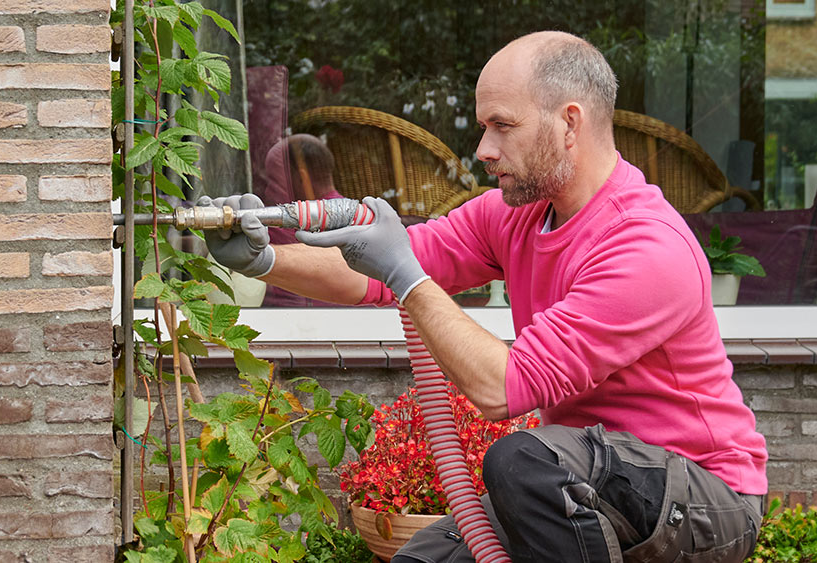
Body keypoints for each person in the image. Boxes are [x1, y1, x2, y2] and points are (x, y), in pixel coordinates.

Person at [201, 31, 768, 563]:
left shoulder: (646, 247)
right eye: (483, 126)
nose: (484, 149)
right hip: (585, 482)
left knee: (523, 459)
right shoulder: (515, 215)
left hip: (702, 497)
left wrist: (407, 278)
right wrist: (267, 259)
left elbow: (502, 389)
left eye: (502, 125)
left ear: (570, 123)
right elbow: (371, 271)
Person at [260, 134, 343, 307]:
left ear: (302, 180)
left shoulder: (290, 226)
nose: (267, 191)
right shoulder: (359, 219)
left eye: (273, 181)